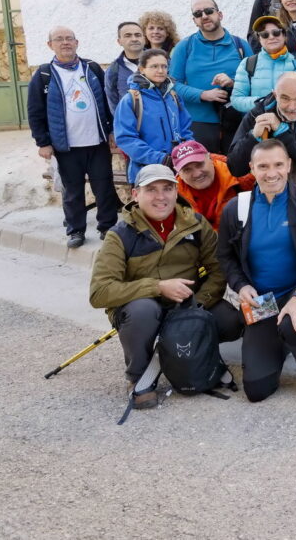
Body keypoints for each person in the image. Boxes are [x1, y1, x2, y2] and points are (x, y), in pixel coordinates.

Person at [89, 164, 244, 411]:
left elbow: (219, 267)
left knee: (231, 320)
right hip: (142, 308)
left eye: (167, 188)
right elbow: (99, 293)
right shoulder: (119, 235)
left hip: (186, 304)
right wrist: (157, 287)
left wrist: (197, 306)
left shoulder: (195, 223)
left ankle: (193, 354)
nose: (161, 197)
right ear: (135, 194)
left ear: (176, 190)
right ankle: (139, 377)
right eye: (151, 189)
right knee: (143, 312)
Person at [218, 140, 296, 403]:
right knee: (257, 390)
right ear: (252, 169)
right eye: (263, 166)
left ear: (289, 165)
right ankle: (281, 341)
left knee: (294, 323)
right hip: (262, 301)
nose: (272, 173)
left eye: (279, 164)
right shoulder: (237, 208)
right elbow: (225, 256)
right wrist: (241, 285)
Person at [27, 26, 119, 248]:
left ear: (77, 43)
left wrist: (112, 131)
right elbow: (35, 110)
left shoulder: (92, 68)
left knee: (104, 187)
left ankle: (108, 227)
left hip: (97, 143)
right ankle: (76, 230)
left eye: (69, 39)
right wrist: (43, 142)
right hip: (66, 146)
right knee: (72, 191)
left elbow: (108, 102)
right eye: (59, 39)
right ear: (50, 45)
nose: (65, 42)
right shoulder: (44, 75)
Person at [229, 72, 296, 214]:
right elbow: (235, 168)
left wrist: (281, 130)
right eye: (285, 98)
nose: (292, 107)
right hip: (271, 198)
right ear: (275, 95)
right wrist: (253, 136)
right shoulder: (259, 112)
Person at [169, 0, 251, 153]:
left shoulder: (240, 45)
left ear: (220, 14)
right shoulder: (184, 47)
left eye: (209, 11)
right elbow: (173, 85)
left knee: (237, 175)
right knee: (203, 173)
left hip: (237, 121)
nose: (204, 16)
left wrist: (234, 83)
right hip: (198, 123)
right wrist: (203, 95)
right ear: (194, 20)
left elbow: (255, 80)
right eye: (198, 14)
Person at [114, 49, 194, 184]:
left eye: (164, 66)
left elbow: (185, 130)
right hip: (146, 170)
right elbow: (126, 139)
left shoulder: (173, 97)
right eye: (154, 66)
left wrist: (186, 152)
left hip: (178, 169)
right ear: (142, 69)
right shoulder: (132, 100)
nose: (161, 70)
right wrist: (160, 158)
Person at [171, 139, 254, 229]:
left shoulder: (241, 179)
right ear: (178, 172)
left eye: (199, 164)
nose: (197, 174)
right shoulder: (171, 198)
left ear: (210, 158)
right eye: (187, 170)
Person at [229, 15, 296, 115]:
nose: (271, 37)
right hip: (257, 125)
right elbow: (236, 99)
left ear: (284, 35)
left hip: (290, 125)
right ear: (259, 39)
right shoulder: (248, 63)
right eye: (265, 34)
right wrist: (263, 103)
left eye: (276, 33)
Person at [104, 21, 146, 116]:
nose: (134, 39)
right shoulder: (113, 71)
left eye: (138, 35)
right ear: (119, 41)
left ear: (144, 39)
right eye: (128, 36)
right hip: (132, 127)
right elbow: (113, 104)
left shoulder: (160, 62)